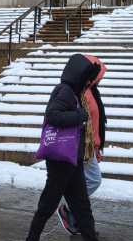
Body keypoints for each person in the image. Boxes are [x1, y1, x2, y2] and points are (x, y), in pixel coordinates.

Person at [26, 54, 101, 241]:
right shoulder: (65, 91)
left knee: (82, 206)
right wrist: (80, 116)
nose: (88, 84)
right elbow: (53, 115)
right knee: (48, 205)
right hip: (60, 161)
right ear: (79, 77)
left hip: (72, 159)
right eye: (87, 80)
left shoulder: (74, 93)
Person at [57, 55, 107, 235]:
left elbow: (96, 122)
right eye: (98, 74)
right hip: (80, 146)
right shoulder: (77, 92)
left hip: (89, 147)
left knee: (88, 181)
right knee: (93, 180)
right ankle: (70, 209)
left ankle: (78, 219)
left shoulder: (92, 91)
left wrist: (97, 145)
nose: (100, 78)